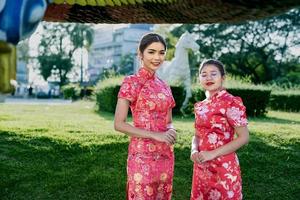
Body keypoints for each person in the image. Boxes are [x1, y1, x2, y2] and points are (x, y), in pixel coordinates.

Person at [114, 33, 177, 200]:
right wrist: (155, 135)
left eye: (161, 52)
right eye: (151, 52)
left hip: (165, 154)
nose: (157, 57)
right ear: (140, 54)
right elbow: (119, 124)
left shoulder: (164, 85)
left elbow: (169, 121)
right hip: (142, 157)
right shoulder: (131, 82)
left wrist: (171, 131)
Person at [190, 59, 249, 200]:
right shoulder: (200, 106)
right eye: (203, 74)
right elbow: (197, 135)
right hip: (201, 168)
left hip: (224, 168)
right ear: (199, 79)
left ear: (222, 78)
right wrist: (193, 150)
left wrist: (212, 154)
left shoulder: (231, 102)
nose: (208, 77)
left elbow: (244, 137)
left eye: (213, 73)